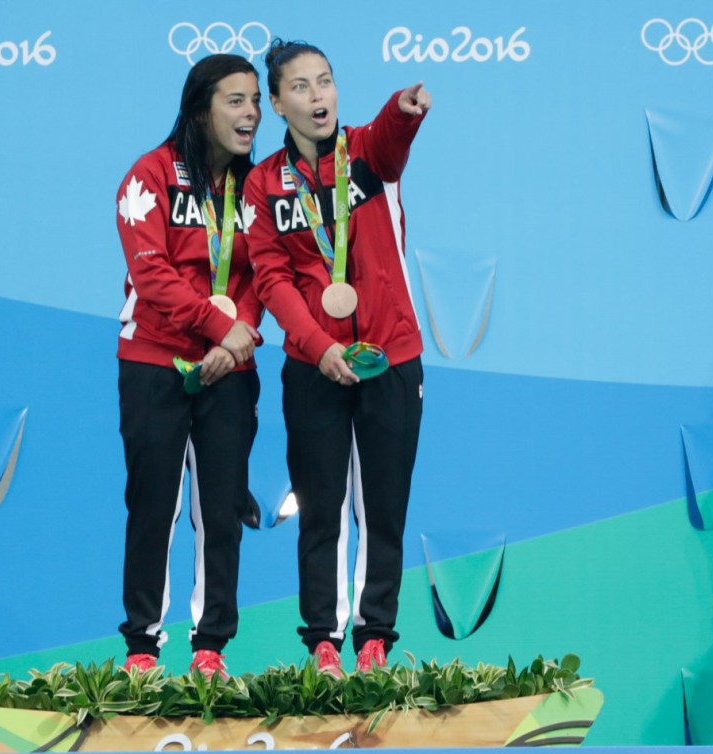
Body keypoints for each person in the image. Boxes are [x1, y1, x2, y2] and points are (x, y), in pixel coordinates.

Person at [243, 39, 431, 676]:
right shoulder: (265, 184)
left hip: (391, 357)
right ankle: (323, 637)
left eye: (325, 82)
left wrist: (403, 111)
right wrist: (319, 348)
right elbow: (270, 279)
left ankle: (374, 635)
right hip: (313, 367)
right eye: (300, 87)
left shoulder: (367, 155)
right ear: (275, 103)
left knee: (383, 504)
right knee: (321, 507)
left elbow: (391, 137)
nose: (317, 96)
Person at [114, 54, 263, 679]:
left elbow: (265, 271)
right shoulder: (148, 177)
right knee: (155, 505)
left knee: (221, 507)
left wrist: (237, 340)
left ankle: (211, 648)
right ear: (201, 107)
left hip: (230, 367)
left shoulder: (255, 188)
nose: (251, 113)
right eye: (235, 100)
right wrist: (219, 327)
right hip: (155, 360)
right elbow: (152, 275)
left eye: (255, 100)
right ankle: (143, 648)